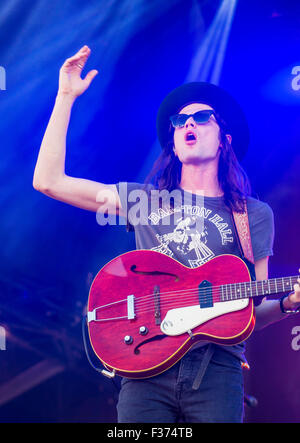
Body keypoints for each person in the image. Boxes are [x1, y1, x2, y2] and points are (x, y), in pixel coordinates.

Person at [33, 45, 300, 423]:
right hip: (145, 366)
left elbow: (252, 311)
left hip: (217, 372)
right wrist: (65, 97)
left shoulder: (252, 215)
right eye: (180, 121)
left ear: (224, 138)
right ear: (173, 144)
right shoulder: (144, 200)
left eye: (202, 117)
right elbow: (48, 181)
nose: (188, 124)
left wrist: (289, 304)